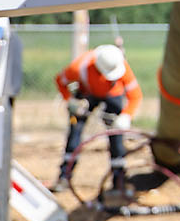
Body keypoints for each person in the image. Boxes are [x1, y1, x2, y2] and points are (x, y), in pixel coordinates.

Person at [53, 43, 141, 191]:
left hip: (113, 96)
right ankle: (64, 177)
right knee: (75, 134)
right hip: (86, 95)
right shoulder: (80, 67)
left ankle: (118, 181)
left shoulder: (121, 66)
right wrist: (70, 101)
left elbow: (136, 96)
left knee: (116, 138)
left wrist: (126, 116)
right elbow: (60, 81)